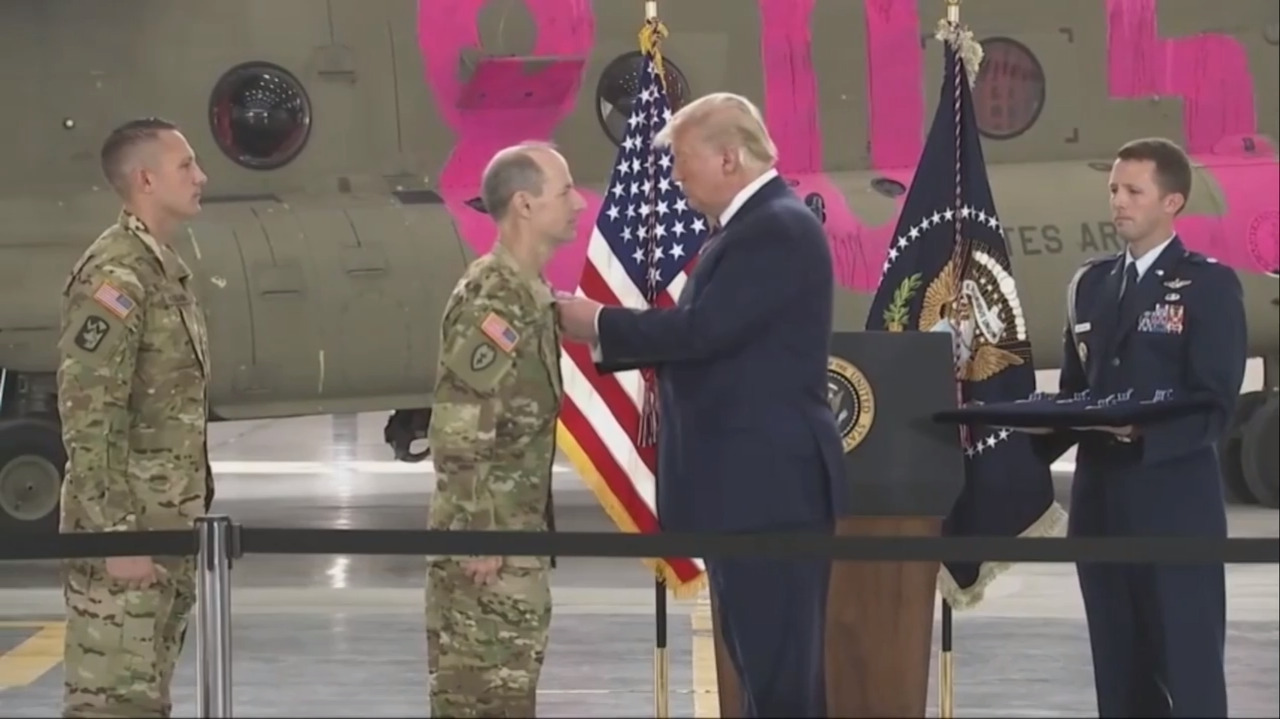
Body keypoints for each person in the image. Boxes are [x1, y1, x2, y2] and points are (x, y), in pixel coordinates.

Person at [556, 92, 847, 718]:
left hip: (768, 495)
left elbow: (703, 332)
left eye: (684, 162)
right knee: (760, 668)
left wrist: (598, 321)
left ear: (729, 157)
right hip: (746, 495)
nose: (678, 179)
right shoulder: (748, 230)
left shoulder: (775, 229)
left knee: (781, 678)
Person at [1028, 137, 1246, 718]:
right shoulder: (1090, 285)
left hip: (1175, 509)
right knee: (1119, 677)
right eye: (1114, 191)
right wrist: (1009, 432)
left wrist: (1142, 435)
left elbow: (1215, 404)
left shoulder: (1209, 286)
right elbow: (1076, 396)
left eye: (1133, 191)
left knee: (1189, 673)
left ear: (1172, 201)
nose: (1118, 202)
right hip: (1100, 508)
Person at [56, 117, 212, 718]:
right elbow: (89, 417)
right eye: (186, 166)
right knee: (113, 706)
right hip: (129, 536)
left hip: (166, 531)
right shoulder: (116, 275)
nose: (201, 177)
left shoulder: (162, 270)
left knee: (145, 702)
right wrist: (119, 536)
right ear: (146, 179)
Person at [424, 141, 585, 717]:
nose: (579, 203)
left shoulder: (526, 294)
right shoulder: (494, 298)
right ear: (524, 204)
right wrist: (478, 531)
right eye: (564, 192)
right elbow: (460, 420)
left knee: (508, 700)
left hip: (515, 545)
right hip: (487, 557)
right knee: (479, 701)